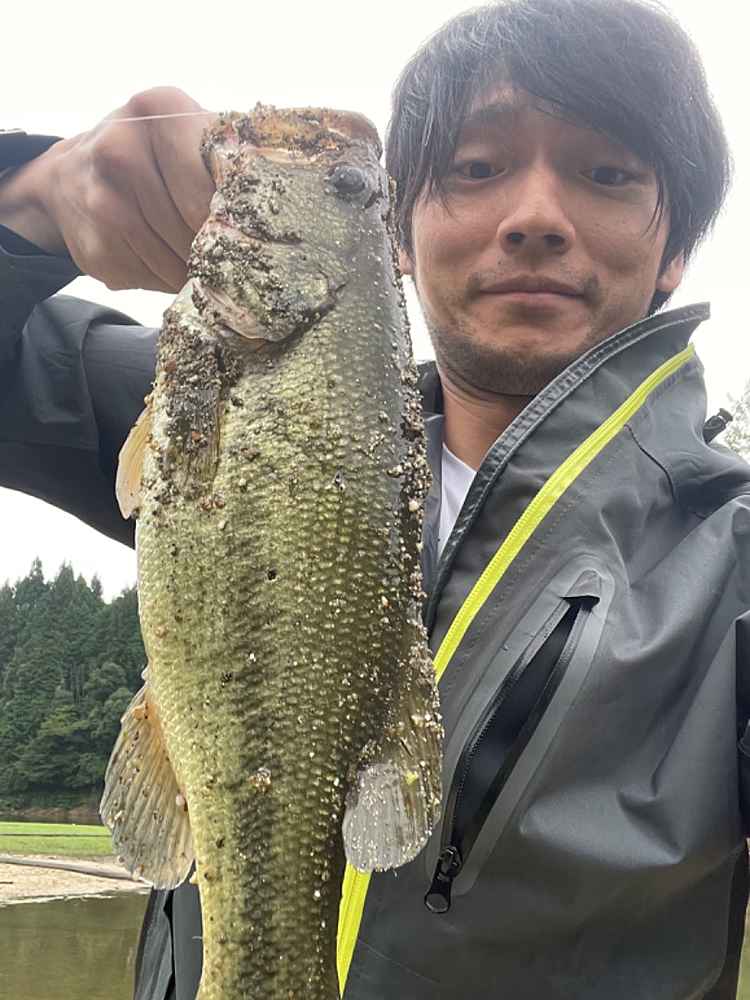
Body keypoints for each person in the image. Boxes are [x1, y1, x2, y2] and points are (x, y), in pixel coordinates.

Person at [0, 0, 744, 997]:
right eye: (476, 166)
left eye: (607, 174)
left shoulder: (731, 566)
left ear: (674, 251)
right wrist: (29, 204)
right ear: (396, 232)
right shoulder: (197, 407)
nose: (534, 215)